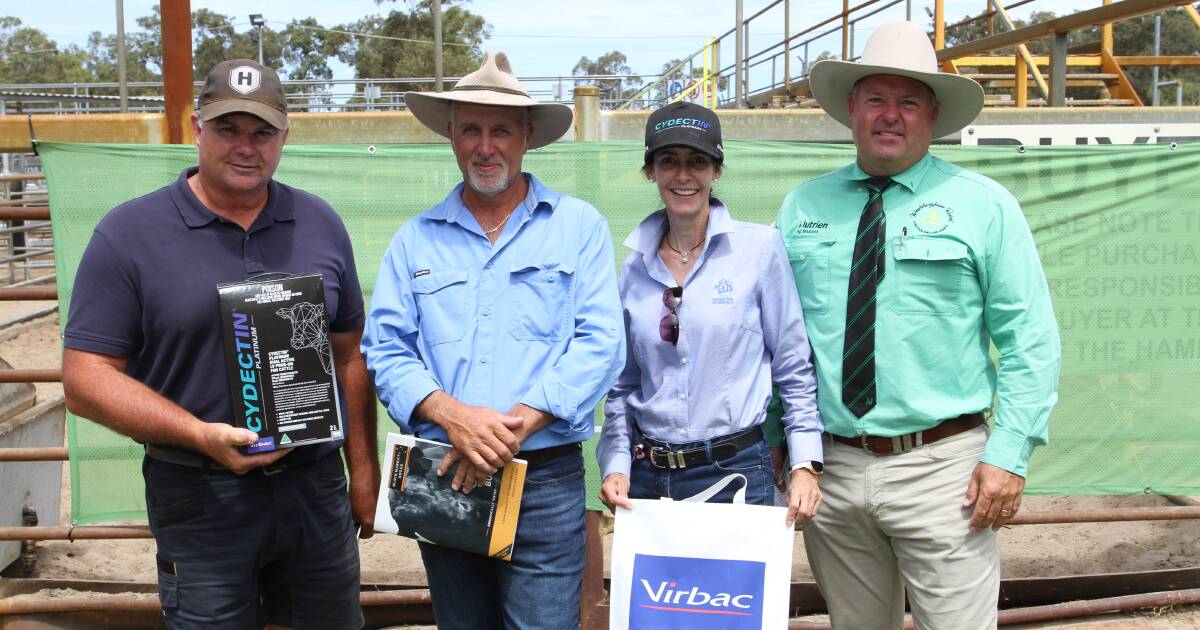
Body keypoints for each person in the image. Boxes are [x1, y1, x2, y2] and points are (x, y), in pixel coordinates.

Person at [61, 59, 378, 629]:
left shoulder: (319, 222)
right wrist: (199, 435)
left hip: (313, 485)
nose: (245, 147)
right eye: (228, 129)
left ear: (285, 136)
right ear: (196, 126)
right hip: (201, 490)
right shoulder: (128, 234)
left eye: (262, 132)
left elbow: (349, 353)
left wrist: (362, 472)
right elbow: (85, 377)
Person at [776, 22, 1061, 629]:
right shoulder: (803, 207)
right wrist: (784, 443)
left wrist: (1008, 456)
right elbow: (782, 340)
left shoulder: (985, 205)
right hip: (834, 469)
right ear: (851, 108)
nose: (890, 115)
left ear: (933, 116)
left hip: (944, 471)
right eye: (876, 99)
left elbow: (1029, 339)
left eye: (908, 101)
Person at [361, 51, 624, 630]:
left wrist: (513, 426)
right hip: (445, 468)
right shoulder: (415, 240)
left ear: (526, 137)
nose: (486, 146)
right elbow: (385, 346)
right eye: (471, 129)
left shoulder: (578, 226)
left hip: (545, 479)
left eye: (501, 129)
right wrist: (451, 416)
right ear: (451, 136)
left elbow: (602, 341)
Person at [596, 101, 823, 526]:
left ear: (717, 171)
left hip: (735, 472)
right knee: (658, 595)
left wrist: (805, 465)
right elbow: (623, 381)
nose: (684, 175)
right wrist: (616, 463)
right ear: (651, 172)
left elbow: (793, 366)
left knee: (731, 595)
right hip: (649, 479)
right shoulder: (633, 269)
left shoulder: (758, 250)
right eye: (669, 162)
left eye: (698, 162)